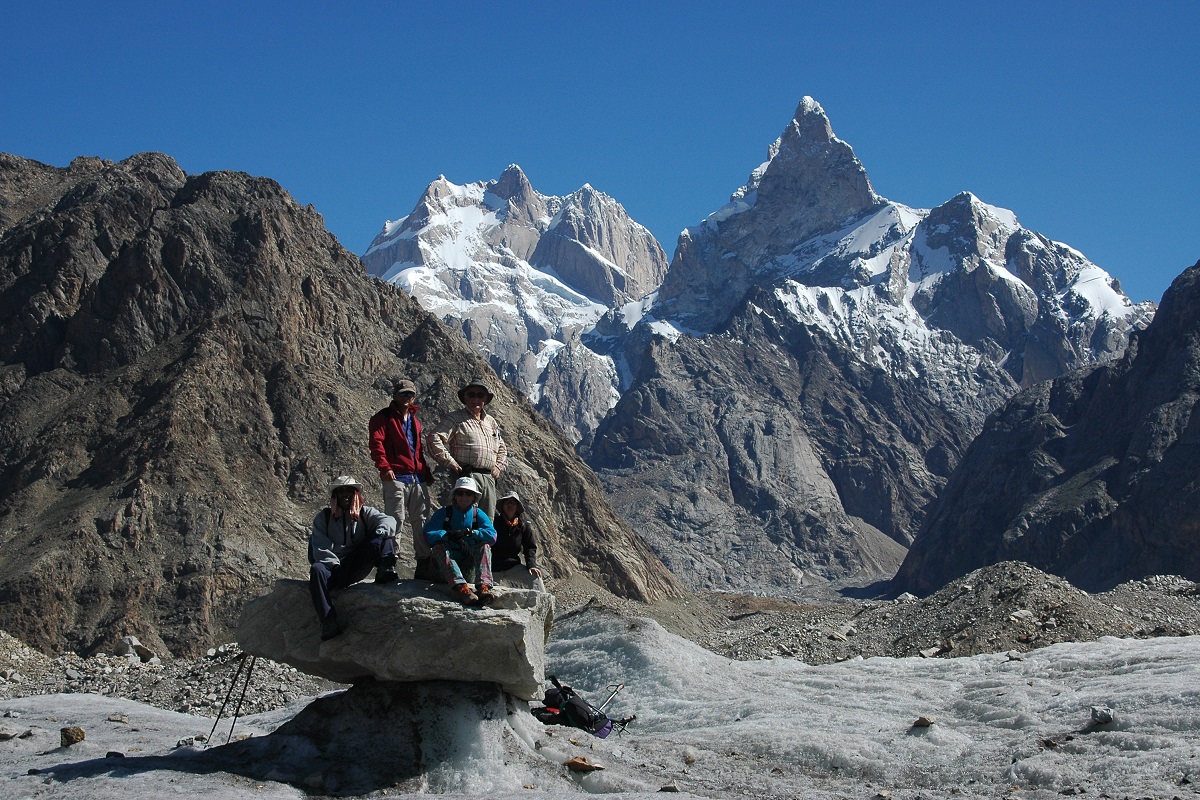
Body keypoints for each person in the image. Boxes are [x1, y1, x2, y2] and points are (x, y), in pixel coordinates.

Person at [308, 476, 398, 640]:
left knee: (383, 537)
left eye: (349, 490)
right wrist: (335, 566)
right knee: (316, 569)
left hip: (354, 565)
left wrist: (379, 532)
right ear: (334, 496)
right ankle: (328, 620)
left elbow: (389, 521)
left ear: (356, 494)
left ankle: (385, 569)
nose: (345, 494)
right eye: (341, 491)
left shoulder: (365, 513)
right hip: (332, 570)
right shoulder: (324, 518)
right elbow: (320, 548)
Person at [369, 378, 435, 580]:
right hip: (396, 476)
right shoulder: (383, 418)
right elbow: (376, 444)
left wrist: (425, 471)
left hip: (416, 477)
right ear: (395, 395)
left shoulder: (415, 422)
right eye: (403, 393)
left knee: (422, 520)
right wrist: (384, 467)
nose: (407, 397)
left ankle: (424, 563)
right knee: (395, 520)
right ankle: (388, 563)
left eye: (410, 394)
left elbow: (418, 450)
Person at [427, 377, 507, 520]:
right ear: (465, 398)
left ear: (485, 400)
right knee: (466, 518)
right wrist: (450, 462)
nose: (475, 399)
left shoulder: (491, 422)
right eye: (471, 395)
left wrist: (498, 467)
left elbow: (502, 447)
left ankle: (484, 543)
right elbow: (434, 438)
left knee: (487, 521)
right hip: (466, 476)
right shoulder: (455, 418)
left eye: (480, 395)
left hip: (489, 478)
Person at [423, 476, 497, 605]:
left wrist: (472, 533)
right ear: (455, 496)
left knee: (484, 546)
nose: (464, 497)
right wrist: (447, 535)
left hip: (467, 567)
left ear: (474, 497)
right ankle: (461, 589)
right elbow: (429, 535)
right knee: (439, 547)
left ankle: (483, 587)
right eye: (460, 493)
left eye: (468, 493)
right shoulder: (444, 513)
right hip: (442, 571)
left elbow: (492, 536)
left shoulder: (477, 514)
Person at [492, 491, 546, 592]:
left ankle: (542, 605)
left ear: (517, 506)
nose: (510, 505)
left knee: (535, 577)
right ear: (503, 506)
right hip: (493, 567)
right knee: (490, 593)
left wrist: (531, 565)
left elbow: (529, 547)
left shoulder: (523, 526)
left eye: (513, 502)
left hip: (512, 566)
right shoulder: (494, 523)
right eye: (507, 502)